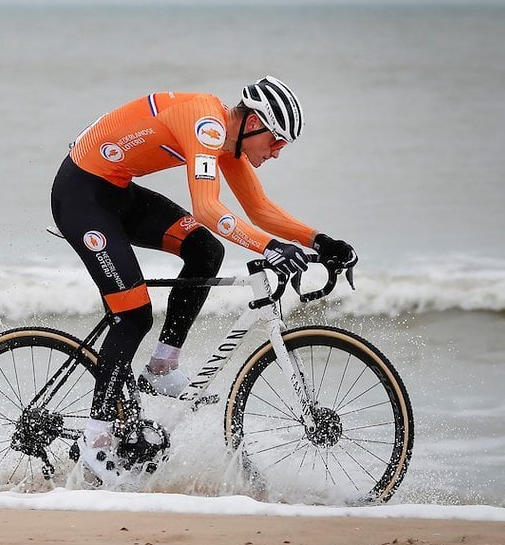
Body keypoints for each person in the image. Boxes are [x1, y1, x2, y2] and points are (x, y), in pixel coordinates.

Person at [50, 76, 358, 486]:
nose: (278, 152)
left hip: (116, 192)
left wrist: (320, 240)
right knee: (134, 315)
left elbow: (259, 209)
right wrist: (269, 248)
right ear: (253, 122)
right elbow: (208, 207)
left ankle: (161, 366)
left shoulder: (228, 143)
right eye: (277, 141)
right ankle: (96, 440)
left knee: (206, 251)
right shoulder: (207, 124)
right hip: (81, 197)